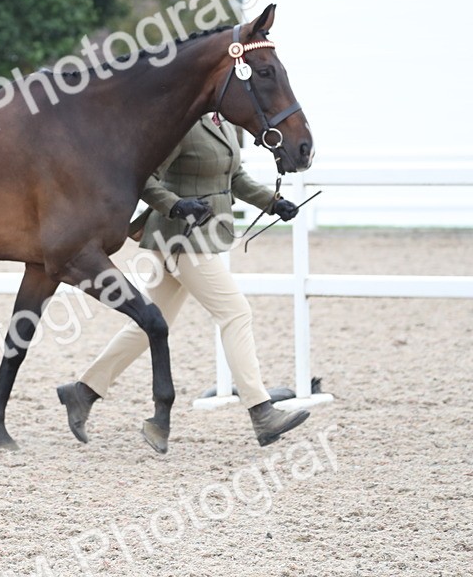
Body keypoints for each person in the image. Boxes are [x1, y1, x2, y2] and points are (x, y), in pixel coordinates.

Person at [57, 113, 310, 448]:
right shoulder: (182, 124)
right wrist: (176, 205)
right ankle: (262, 412)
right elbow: (145, 179)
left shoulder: (227, 124)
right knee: (235, 313)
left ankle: (83, 391)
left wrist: (273, 203)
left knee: (149, 324)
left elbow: (235, 177)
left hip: (199, 238)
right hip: (184, 240)